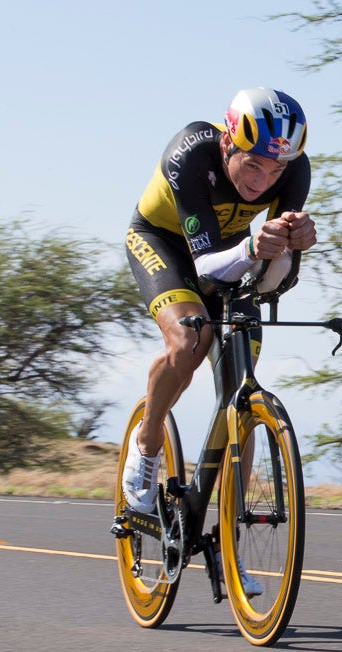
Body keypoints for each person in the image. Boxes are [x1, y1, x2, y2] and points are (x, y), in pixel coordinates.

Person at [122, 88, 317, 522]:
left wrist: (296, 245)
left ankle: (232, 540)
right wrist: (254, 247)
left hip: (232, 249)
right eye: (252, 164)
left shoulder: (295, 169)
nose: (263, 181)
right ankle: (147, 442)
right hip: (164, 243)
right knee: (192, 338)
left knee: (239, 383)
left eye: (275, 169)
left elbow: (277, 267)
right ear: (228, 142)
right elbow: (207, 269)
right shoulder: (191, 153)